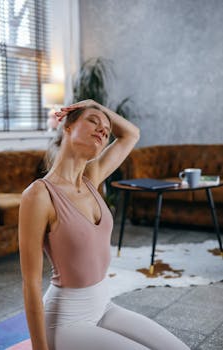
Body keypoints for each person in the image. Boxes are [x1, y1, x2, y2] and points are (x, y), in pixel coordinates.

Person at [19, 99, 190, 350]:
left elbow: (131, 134)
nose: (102, 130)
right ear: (67, 126)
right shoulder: (39, 195)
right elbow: (30, 283)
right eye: (92, 121)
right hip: (66, 320)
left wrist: (93, 104)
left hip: (103, 305)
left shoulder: (92, 177)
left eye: (107, 130)